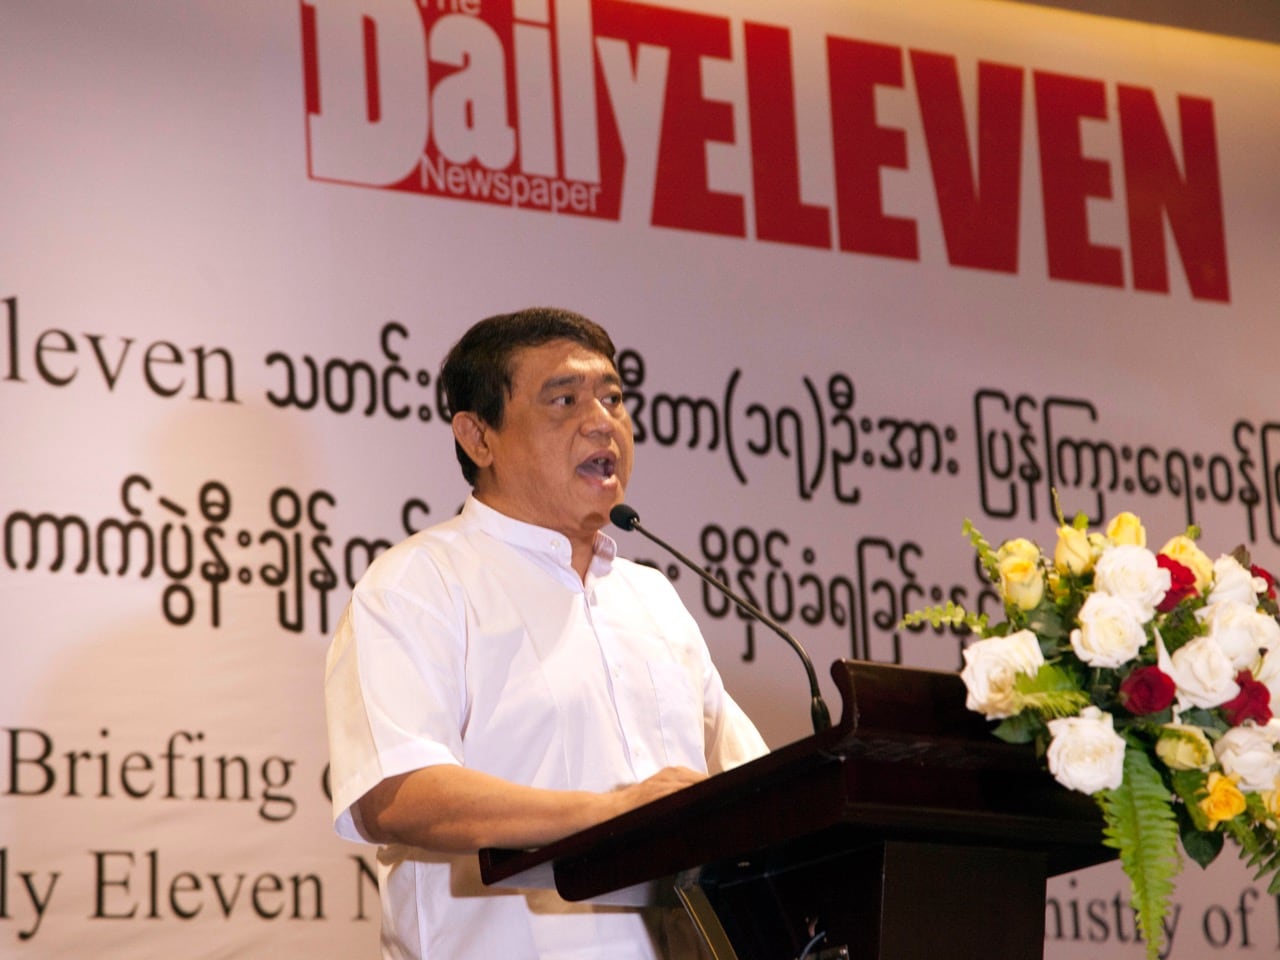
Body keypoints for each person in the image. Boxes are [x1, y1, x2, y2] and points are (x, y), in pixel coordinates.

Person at [324, 307, 768, 960]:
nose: (602, 421)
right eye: (564, 399)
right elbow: (397, 793)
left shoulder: (652, 598)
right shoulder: (418, 581)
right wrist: (612, 813)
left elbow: (746, 786)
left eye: (613, 398)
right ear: (480, 439)